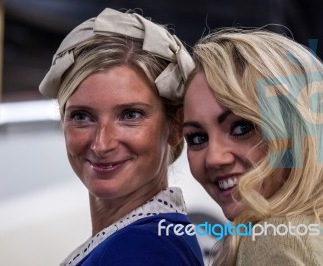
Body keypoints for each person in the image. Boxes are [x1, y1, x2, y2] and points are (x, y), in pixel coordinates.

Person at [182, 28, 323, 265]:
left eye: (241, 128)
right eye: (197, 138)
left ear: (298, 130)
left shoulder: (275, 240)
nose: (214, 158)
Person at [39, 8, 204, 266]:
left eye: (130, 114)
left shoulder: (147, 249)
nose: (102, 143)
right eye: (82, 117)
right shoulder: (145, 238)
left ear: (175, 126)